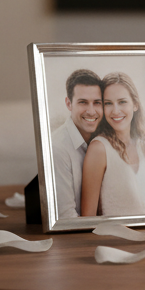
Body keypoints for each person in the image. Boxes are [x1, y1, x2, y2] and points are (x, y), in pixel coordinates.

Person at [81, 72, 145, 217]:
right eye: (108, 103)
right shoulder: (99, 148)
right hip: (116, 237)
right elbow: (88, 216)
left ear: (135, 104)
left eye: (122, 102)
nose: (115, 110)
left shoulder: (142, 145)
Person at [51, 69, 104, 219]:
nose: (91, 111)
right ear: (69, 103)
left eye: (97, 103)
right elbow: (66, 217)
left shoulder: (103, 141)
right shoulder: (57, 149)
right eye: (83, 102)